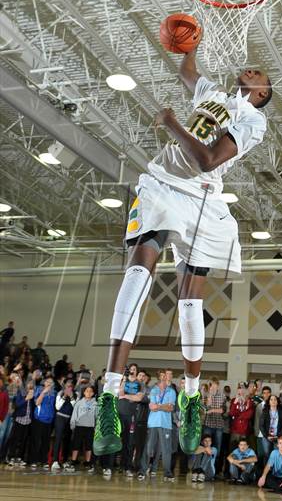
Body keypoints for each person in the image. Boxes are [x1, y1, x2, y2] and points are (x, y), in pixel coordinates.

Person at [92, 43, 272, 458]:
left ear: (262, 92)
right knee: (138, 275)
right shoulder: (211, 94)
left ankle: (191, 398)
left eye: (259, 73)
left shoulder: (252, 119)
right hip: (160, 186)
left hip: (205, 199)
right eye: (250, 67)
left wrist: (172, 123)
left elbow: (209, 159)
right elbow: (187, 72)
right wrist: (189, 45)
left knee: (189, 303)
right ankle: (108, 398)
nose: (251, 69)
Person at [146, 375, 177, 481]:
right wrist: (164, 406)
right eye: (164, 379)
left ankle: (167, 473)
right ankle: (147, 468)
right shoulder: (154, 390)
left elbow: (170, 408)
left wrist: (159, 406)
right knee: (150, 447)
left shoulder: (171, 391)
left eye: (168, 379)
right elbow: (152, 407)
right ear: (160, 380)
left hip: (166, 424)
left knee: (166, 450)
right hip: (153, 423)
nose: (167, 381)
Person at [118, 363, 143, 477]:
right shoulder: (123, 381)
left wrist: (126, 396)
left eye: (134, 369)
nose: (132, 371)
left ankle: (128, 466)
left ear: (137, 371)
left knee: (129, 442)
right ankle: (119, 465)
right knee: (119, 439)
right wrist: (123, 379)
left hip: (131, 414)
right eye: (131, 369)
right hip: (120, 413)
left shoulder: (139, 384)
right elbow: (120, 393)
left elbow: (138, 397)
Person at [67, 385, 97, 473]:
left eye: (91, 391)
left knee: (89, 445)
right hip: (79, 426)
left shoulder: (96, 404)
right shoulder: (79, 403)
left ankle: (88, 462)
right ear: (84, 393)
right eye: (87, 391)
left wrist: (96, 427)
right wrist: (72, 425)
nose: (89, 392)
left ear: (93, 393)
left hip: (90, 427)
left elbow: (97, 416)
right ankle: (73, 461)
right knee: (76, 444)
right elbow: (74, 415)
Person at [29, 375, 56, 469]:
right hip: (39, 419)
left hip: (49, 421)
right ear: (44, 383)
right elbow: (37, 403)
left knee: (46, 442)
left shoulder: (54, 393)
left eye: (51, 382)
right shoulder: (39, 390)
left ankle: (43, 460)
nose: (49, 384)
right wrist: (43, 393)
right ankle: (34, 460)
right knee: (36, 441)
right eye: (47, 381)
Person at [51, 380, 77, 471]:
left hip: (69, 419)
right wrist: (64, 396)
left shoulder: (75, 394)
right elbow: (57, 407)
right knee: (58, 438)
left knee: (67, 439)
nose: (69, 388)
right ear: (64, 386)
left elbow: (75, 407)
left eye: (70, 386)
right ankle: (55, 460)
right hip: (60, 418)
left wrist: (71, 397)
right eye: (67, 386)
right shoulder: (60, 393)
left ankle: (64, 460)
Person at [7, 379, 34, 466]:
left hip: (28, 421)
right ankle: (11, 457)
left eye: (32, 384)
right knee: (15, 439)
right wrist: (26, 398)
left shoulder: (33, 394)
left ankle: (20, 457)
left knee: (23, 441)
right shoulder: (21, 393)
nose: (30, 386)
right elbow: (17, 405)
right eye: (29, 384)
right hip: (19, 420)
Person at [202, 376, 225, 470]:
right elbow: (205, 409)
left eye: (215, 385)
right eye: (211, 385)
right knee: (205, 446)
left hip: (219, 425)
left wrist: (212, 411)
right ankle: (204, 467)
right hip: (208, 424)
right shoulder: (206, 395)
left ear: (218, 385)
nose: (213, 387)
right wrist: (210, 396)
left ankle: (215, 469)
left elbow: (223, 410)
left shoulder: (222, 396)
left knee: (217, 447)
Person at [259, 394, 282, 462]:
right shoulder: (265, 411)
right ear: (269, 402)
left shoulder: (281, 412)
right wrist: (267, 436)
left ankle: (275, 470)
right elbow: (261, 425)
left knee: (277, 454)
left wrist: (279, 436)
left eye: (275, 399)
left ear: (277, 402)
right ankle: (267, 469)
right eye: (271, 399)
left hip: (277, 436)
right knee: (266, 453)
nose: (273, 401)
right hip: (267, 436)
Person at [229, 382, 255, 448]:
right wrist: (235, 402)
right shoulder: (233, 401)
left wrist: (237, 415)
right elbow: (231, 413)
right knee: (233, 449)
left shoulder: (249, 402)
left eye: (243, 389)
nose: (241, 391)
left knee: (243, 450)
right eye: (239, 389)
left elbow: (248, 415)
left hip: (244, 430)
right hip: (235, 430)